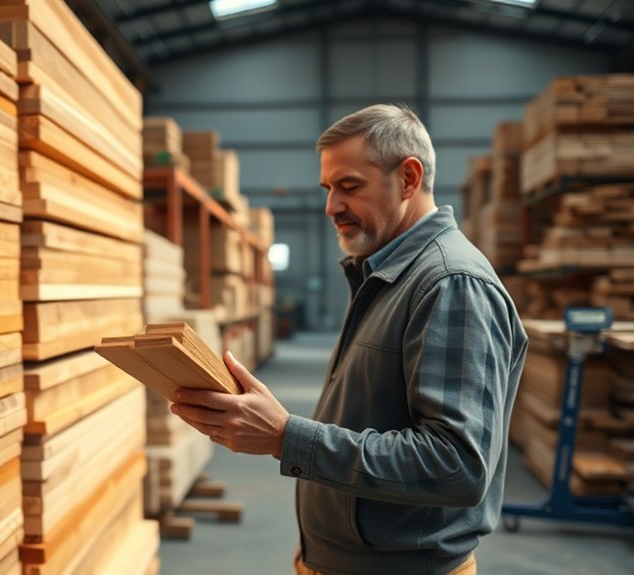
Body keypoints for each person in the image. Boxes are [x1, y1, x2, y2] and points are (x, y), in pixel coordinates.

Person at [170, 104, 528, 575]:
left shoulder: (450, 284)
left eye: (350, 186)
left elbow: (457, 465)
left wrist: (285, 437)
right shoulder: (385, 274)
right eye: (328, 188)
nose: (331, 206)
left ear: (408, 178)